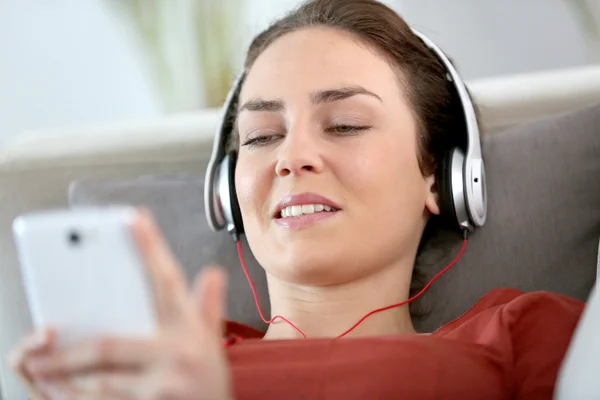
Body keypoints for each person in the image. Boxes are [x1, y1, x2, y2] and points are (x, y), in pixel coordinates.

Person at [9, 0, 585, 399]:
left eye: (345, 125)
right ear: (225, 196)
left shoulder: (523, 336)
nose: (291, 157)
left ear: (441, 177)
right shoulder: (155, 363)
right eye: (261, 137)